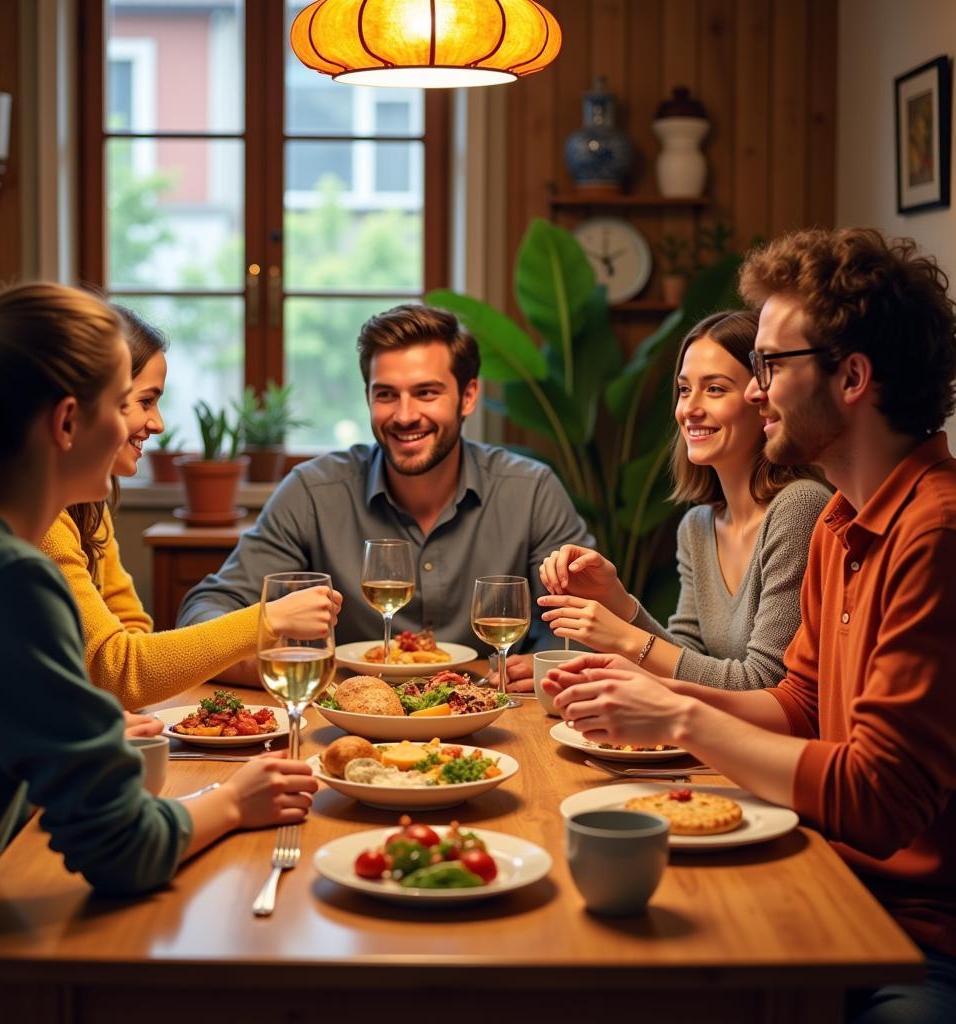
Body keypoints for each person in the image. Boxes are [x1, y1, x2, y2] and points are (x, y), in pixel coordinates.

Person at [543, 228, 956, 1022]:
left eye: (770, 365)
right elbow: (796, 704)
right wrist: (638, 684)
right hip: (827, 875)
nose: (757, 389)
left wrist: (679, 711)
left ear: (852, 378)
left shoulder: (933, 534)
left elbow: (879, 798)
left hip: (916, 935)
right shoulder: (844, 521)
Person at [0, 283, 318, 925]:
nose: (146, 425)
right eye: (124, 402)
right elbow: (122, 848)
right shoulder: (9, 582)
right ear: (66, 423)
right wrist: (233, 801)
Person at [177, 303, 593, 685]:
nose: (405, 415)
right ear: (368, 399)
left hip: (490, 718)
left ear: (468, 396)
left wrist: (548, 671)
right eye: (386, 395)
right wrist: (284, 667)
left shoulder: (532, 490)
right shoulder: (312, 491)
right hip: (345, 720)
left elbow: (592, 625)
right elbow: (207, 612)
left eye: (426, 393)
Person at [40, 306, 340, 709]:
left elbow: (131, 634)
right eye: (145, 401)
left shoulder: (86, 504)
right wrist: (268, 619)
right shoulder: (39, 523)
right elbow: (121, 670)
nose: (158, 423)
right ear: (76, 408)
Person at [538, 310, 830, 690]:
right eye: (684, 389)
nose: (689, 409)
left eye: (715, 389)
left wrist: (624, 637)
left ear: (763, 399)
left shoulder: (799, 507)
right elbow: (687, 657)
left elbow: (766, 685)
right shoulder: (698, 526)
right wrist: (617, 600)